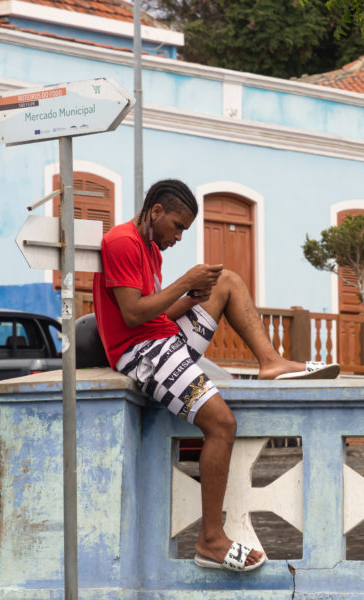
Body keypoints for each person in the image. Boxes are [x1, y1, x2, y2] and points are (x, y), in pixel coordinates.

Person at [93, 179, 340, 572]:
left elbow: (155, 314)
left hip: (161, 337)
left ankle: (270, 362)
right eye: (177, 226)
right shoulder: (121, 242)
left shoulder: (150, 249)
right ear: (156, 211)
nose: (178, 236)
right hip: (140, 354)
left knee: (226, 282)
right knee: (222, 424)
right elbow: (132, 314)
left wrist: (192, 298)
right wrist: (184, 283)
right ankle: (210, 539)